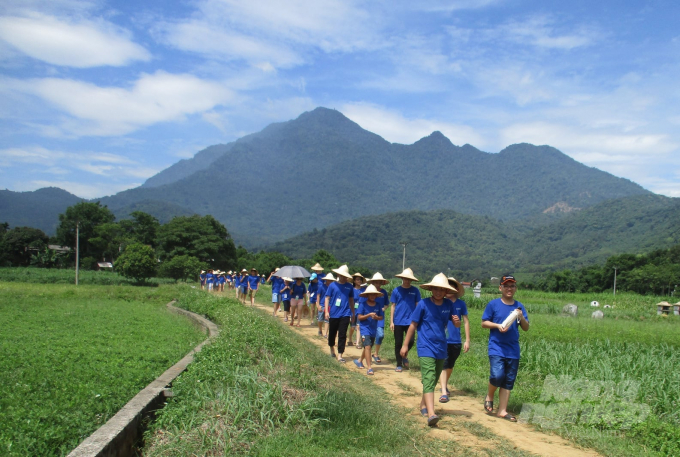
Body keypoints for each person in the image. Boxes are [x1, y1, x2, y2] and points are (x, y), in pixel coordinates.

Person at [400, 273, 461, 427]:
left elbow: (456, 324)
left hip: (441, 347)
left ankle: (422, 404)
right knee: (428, 377)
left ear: (446, 291)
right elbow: (413, 324)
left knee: (433, 380)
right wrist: (405, 344)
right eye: (436, 289)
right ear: (431, 289)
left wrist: (457, 321)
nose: (438, 292)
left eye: (442, 289)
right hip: (425, 346)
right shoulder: (423, 304)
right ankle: (431, 413)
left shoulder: (449, 305)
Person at [481, 274, 529, 422]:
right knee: (497, 375)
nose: (509, 288)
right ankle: (490, 395)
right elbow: (484, 323)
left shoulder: (519, 307)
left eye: (512, 286)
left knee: (508, 380)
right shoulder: (493, 305)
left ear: (516, 288)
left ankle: (502, 410)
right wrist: (497, 326)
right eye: (506, 286)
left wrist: (520, 317)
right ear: (500, 288)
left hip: (513, 350)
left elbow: (526, 328)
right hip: (497, 347)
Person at [438, 277, 470, 403]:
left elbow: (466, 322)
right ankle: (444, 391)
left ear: (456, 289)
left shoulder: (461, 304)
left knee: (450, 364)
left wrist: (467, 340)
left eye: (453, 287)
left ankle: (444, 384)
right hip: (443, 339)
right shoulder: (441, 303)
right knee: (444, 364)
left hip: (456, 340)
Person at [390, 267, 421, 372]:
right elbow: (393, 306)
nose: (407, 281)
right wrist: (391, 321)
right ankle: (399, 364)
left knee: (410, 341)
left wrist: (418, 320)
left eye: (409, 279)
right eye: (405, 278)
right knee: (398, 343)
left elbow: (418, 306)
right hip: (398, 320)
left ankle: (404, 355)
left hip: (411, 321)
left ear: (411, 280)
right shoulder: (396, 290)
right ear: (402, 278)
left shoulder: (415, 291)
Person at [324, 264, 354, 363]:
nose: (343, 277)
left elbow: (351, 300)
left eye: (345, 276)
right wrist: (327, 311)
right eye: (341, 275)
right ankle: (332, 347)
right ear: (338, 275)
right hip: (334, 313)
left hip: (345, 313)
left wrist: (353, 313)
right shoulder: (332, 285)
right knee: (332, 333)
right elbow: (327, 298)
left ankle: (340, 354)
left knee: (342, 334)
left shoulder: (349, 287)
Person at [354, 284, 384, 376]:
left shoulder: (378, 305)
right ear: (367, 295)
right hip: (364, 328)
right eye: (370, 294)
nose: (372, 296)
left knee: (368, 346)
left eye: (374, 294)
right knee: (367, 347)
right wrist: (368, 315)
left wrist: (376, 317)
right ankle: (369, 367)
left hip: (373, 329)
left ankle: (359, 361)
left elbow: (381, 317)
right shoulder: (363, 305)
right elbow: (359, 317)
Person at [366, 272, 390, 364]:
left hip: (380, 317)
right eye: (376, 282)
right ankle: (367, 354)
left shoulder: (383, 292)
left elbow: (387, 304)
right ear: (373, 282)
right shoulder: (369, 291)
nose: (377, 283)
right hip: (370, 317)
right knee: (370, 336)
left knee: (380, 335)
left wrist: (384, 308)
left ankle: (375, 354)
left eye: (379, 282)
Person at [348, 272, 365, 348]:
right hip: (353, 311)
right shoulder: (351, 290)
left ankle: (358, 343)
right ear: (354, 281)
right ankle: (350, 339)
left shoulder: (364, 290)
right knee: (352, 327)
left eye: (360, 280)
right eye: (357, 279)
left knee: (358, 326)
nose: (359, 281)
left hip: (361, 311)